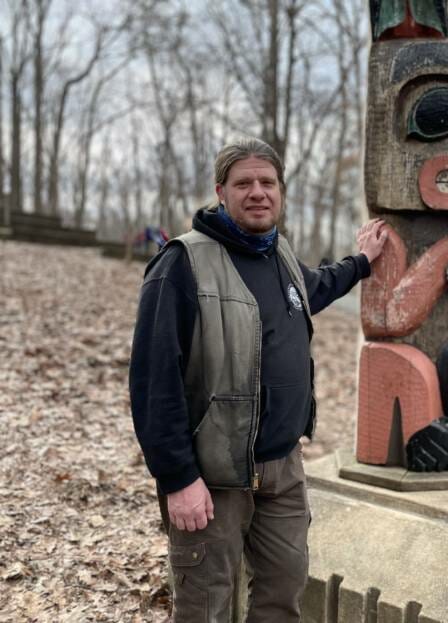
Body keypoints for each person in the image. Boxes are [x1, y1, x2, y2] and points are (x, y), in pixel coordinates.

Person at [129, 138, 387, 622]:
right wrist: (178, 478)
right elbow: (152, 382)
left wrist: (362, 262)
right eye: (243, 182)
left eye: (267, 182)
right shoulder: (182, 263)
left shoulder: (279, 254)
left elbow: (314, 289)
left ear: (281, 192)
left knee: (283, 595)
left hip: (283, 471)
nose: (257, 192)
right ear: (220, 191)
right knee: (206, 606)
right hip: (214, 477)